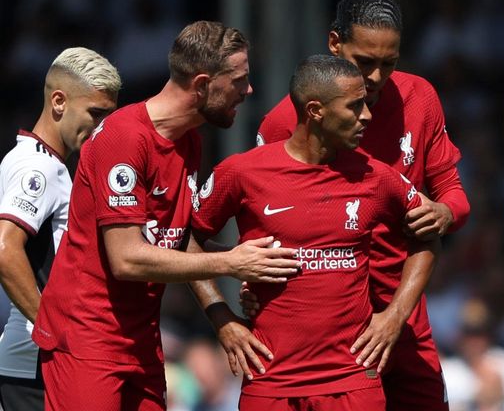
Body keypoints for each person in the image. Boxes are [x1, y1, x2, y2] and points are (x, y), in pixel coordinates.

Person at [30, 21, 301, 410]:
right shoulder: (125, 137)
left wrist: (227, 300)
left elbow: (178, 236)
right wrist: (230, 262)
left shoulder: (188, 141)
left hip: (141, 339)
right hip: (86, 340)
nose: (248, 90)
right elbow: (125, 258)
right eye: (239, 80)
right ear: (203, 84)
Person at [250, 0, 469, 410]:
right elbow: (261, 225)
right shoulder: (283, 122)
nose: (375, 78)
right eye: (364, 62)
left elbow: (454, 196)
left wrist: (444, 212)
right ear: (335, 44)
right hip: (325, 332)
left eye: (388, 64)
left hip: (402, 315)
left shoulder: (418, 98)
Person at [189, 54, 437, 410]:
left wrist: (396, 315)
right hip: (270, 378)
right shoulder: (242, 173)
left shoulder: (377, 177)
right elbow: (186, 237)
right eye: (354, 107)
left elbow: (427, 238)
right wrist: (222, 318)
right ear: (316, 111)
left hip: (352, 380)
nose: (367, 115)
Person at [0, 47, 121, 411]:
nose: (102, 127)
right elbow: (5, 251)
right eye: (95, 113)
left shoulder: (50, 165)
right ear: (58, 101)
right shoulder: (39, 169)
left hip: (34, 363)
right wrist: (53, 331)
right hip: (35, 365)